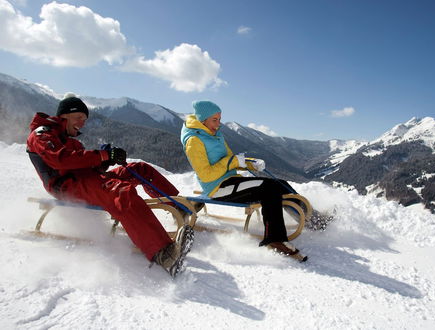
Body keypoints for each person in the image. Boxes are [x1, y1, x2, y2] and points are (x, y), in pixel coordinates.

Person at [26, 93, 193, 278]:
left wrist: (107, 158)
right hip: (66, 185)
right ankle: (163, 253)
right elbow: (61, 160)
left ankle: (178, 207)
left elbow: (83, 163)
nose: (82, 122)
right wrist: (102, 156)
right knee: (121, 192)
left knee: (139, 168)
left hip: (86, 178)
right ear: (63, 116)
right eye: (79, 117)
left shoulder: (70, 138)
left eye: (85, 119)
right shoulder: (42, 134)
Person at [180, 100, 302, 256]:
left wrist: (251, 164)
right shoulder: (194, 141)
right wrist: (233, 162)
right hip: (217, 188)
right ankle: (274, 239)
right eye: (214, 120)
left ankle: (308, 217)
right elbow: (206, 174)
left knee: (280, 184)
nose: (218, 124)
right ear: (202, 120)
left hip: (231, 181)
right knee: (269, 189)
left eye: (219, 119)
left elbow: (232, 159)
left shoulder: (215, 135)